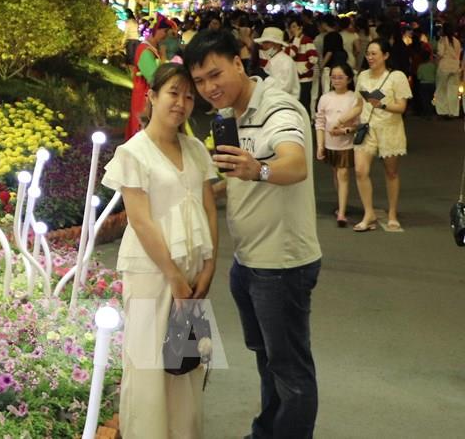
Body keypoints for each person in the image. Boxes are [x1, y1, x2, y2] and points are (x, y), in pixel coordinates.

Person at [183, 29, 321, 439]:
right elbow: (241, 179)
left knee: (290, 369)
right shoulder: (231, 115)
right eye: (199, 82)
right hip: (248, 262)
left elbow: (295, 164)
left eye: (215, 74)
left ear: (238, 63)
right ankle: (267, 432)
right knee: (268, 360)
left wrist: (257, 168)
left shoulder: (278, 108)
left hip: (280, 264)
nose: (209, 88)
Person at [102, 62, 219, 439]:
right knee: (147, 364)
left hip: (193, 269)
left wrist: (209, 265)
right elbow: (140, 221)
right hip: (151, 272)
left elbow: (209, 208)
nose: (181, 103)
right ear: (151, 96)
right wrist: (174, 278)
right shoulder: (133, 152)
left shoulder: (196, 149)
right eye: (173, 93)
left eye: (189, 96)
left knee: (187, 362)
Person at [346, 39, 412, 232]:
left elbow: (402, 107)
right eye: (368, 53)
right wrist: (341, 120)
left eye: (374, 53)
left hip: (390, 129)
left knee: (391, 172)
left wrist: (382, 104)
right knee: (360, 171)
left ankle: (392, 214)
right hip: (367, 129)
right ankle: (369, 213)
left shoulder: (396, 77)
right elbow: (359, 105)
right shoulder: (363, 76)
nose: (370, 57)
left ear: (386, 55)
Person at [314, 62, 358, 226]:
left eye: (340, 77)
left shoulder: (354, 98)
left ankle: (341, 213)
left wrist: (344, 130)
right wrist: (320, 145)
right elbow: (319, 123)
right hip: (330, 144)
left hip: (347, 144)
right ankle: (341, 205)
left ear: (349, 79)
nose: (336, 80)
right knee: (336, 174)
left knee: (343, 174)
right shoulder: (325, 98)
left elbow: (359, 124)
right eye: (333, 77)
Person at [127, 15, 174, 139]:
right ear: (156, 30)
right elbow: (154, 78)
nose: (166, 36)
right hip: (144, 99)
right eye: (165, 31)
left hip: (149, 98)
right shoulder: (145, 51)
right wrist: (163, 58)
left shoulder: (152, 49)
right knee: (142, 134)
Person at [255, 27, 299, 98]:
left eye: (266, 42)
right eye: (263, 43)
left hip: (283, 101)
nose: (263, 46)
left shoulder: (286, 62)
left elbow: (283, 88)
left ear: (277, 44)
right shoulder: (273, 60)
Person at [287, 18, 319, 115]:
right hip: (295, 78)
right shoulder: (292, 41)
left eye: (294, 27)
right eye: (290, 27)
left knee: (304, 104)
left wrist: (301, 71)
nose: (292, 29)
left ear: (300, 28)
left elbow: (313, 59)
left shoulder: (306, 40)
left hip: (304, 78)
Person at [434, 27, 463, 118]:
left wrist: (436, 61)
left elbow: (440, 54)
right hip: (455, 67)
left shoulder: (442, 40)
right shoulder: (457, 41)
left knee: (441, 90)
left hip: (444, 67)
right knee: (453, 90)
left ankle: (443, 111)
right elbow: (459, 54)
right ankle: (453, 111)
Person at [414, 49, 436, 117]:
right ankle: (431, 112)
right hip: (432, 84)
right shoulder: (433, 65)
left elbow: (419, 77)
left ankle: (426, 113)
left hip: (423, 84)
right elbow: (436, 74)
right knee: (431, 99)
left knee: (425, 100)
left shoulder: (421, 66)